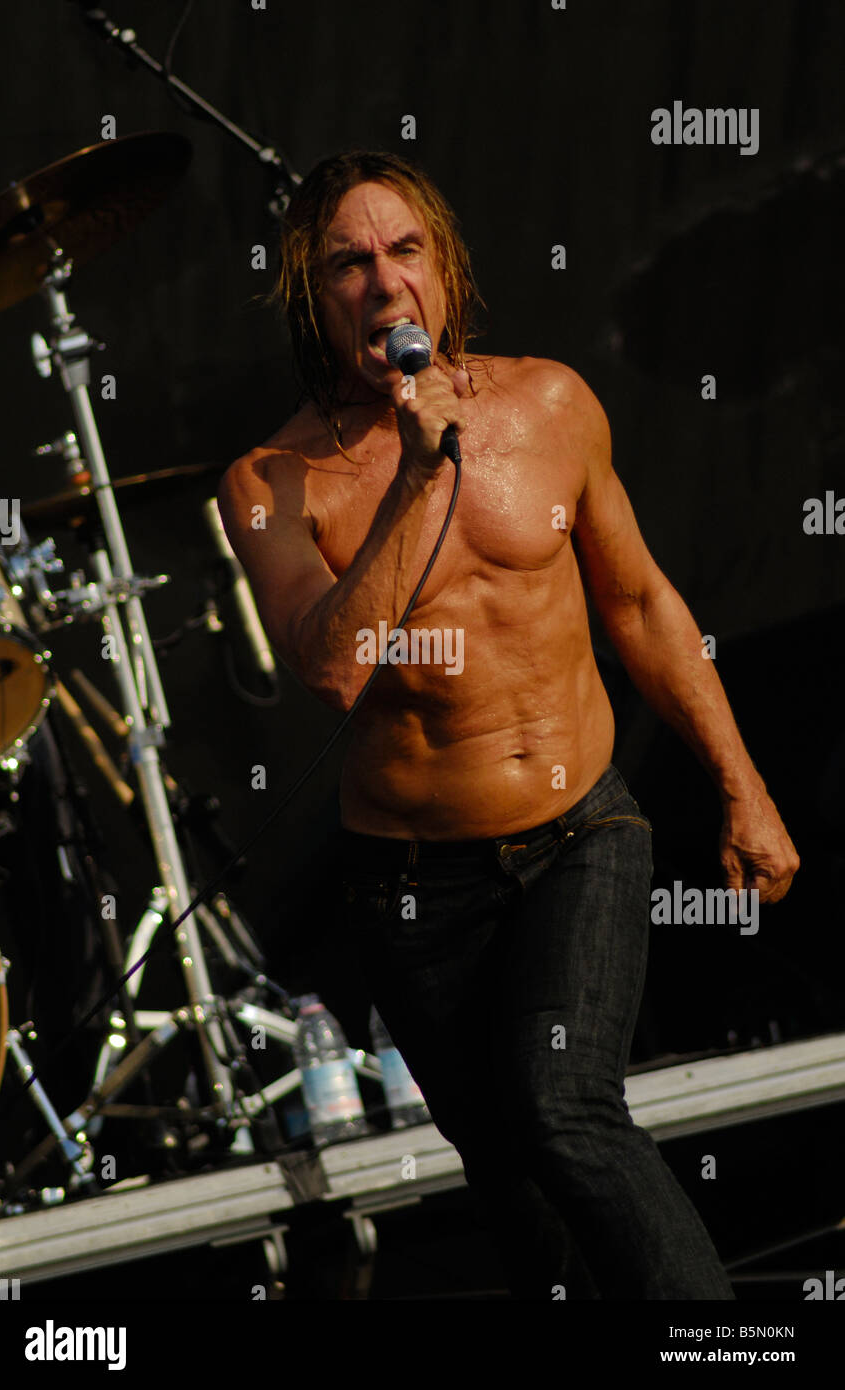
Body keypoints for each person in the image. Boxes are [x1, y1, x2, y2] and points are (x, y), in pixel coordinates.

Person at [218, 150, 799, 1299]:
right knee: (522, 1194)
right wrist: (415, 481)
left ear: (445, 264)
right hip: (416, 887)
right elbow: (335, 669)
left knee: (564, 1103)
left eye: (404, 250)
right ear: (311, 292)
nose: (383, 283)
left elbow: (641, 603)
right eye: (348, 263)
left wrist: (742, 781)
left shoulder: (548, 402)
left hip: (581, 830)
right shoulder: (272, 480)